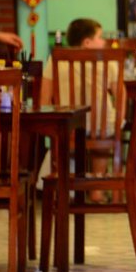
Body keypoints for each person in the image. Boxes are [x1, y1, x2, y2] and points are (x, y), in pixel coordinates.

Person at [40, 19, 119, 202]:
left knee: (67, 135)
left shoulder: (55, 59)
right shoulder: (108, 59)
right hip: (102, 127)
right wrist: (117, 122)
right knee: (104, 129)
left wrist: (51, 130)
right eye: (100, 37)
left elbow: (44, 100)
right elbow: (119, 95)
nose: (104, 42)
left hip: (68, 127)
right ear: (87, 42)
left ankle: (65, 188)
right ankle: (97, 191)